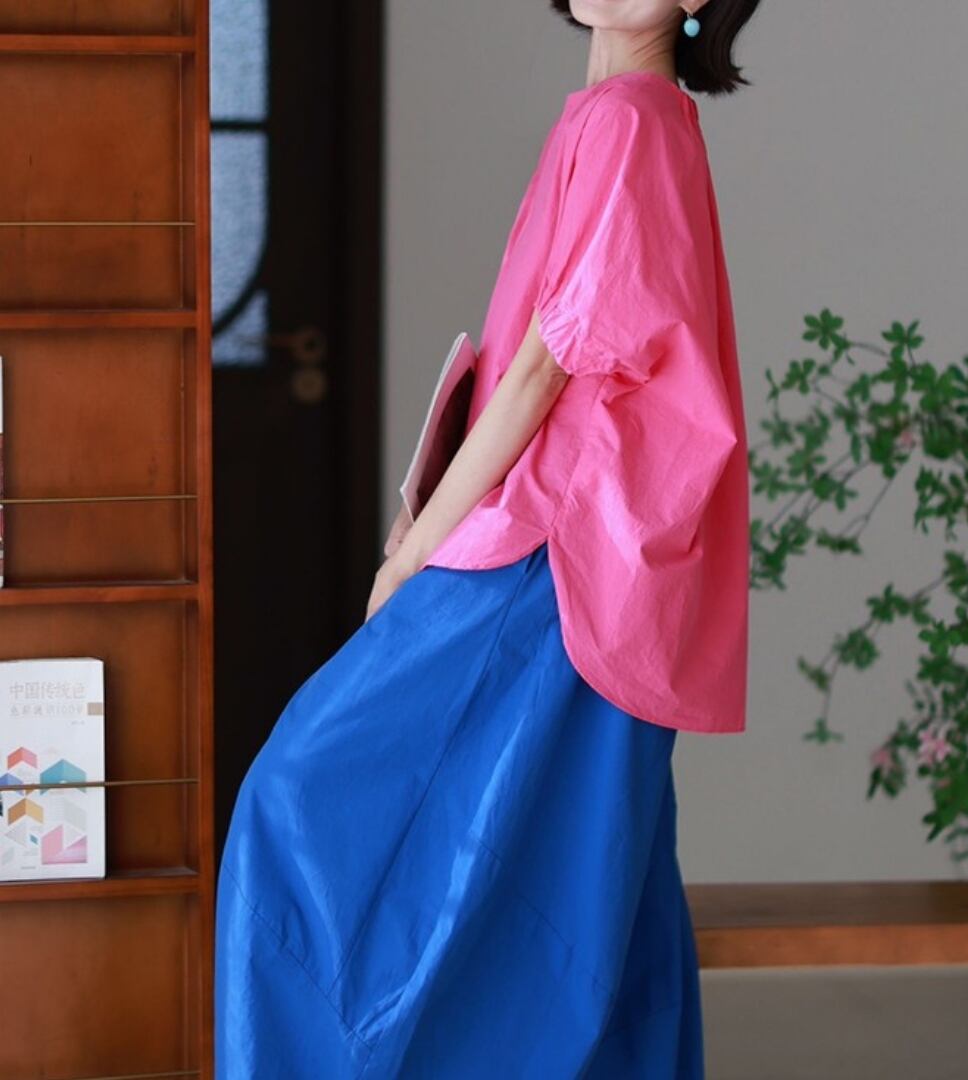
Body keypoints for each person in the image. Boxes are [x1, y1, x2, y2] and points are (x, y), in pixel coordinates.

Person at [214, 1, 761, 1075]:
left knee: (299, 806)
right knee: (585, 893)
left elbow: (545, 368)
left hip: (556, 558)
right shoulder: (633, 117)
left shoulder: (631, 120)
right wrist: (428, 512)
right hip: (590, 562)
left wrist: (414, 552)